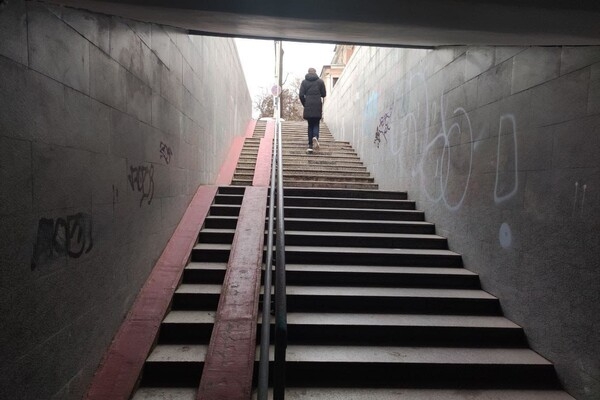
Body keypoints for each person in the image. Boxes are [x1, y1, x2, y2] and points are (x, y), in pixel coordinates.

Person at [299, 67, 326, 154]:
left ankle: (310, 145)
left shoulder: (304, 82)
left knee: (310, 125)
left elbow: (301, 95)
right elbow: (324, 94)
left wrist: (305, 103)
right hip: (317, 105)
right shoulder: (320, 82)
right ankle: (315, 137)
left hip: (308, 105)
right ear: (315, 72)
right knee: (316, 123)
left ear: (308, 72)